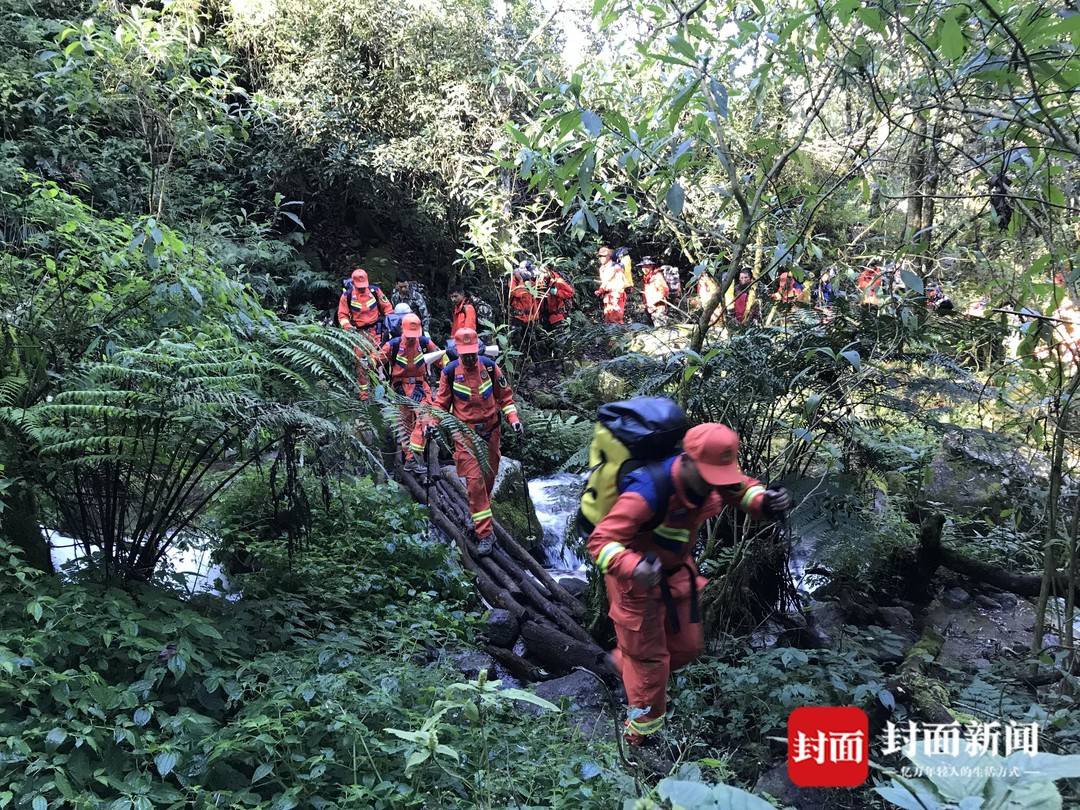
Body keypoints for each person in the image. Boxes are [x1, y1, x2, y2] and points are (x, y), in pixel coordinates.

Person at [586, 423, 791, 745]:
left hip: (676, 573)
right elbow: (601, 542)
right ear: (689, 460)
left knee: (688, 647)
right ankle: (639, 739)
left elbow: (742, 488)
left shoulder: (713, 475)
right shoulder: (648, 491)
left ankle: (624, 662)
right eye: (712, 474)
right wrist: (633, 566)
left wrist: (765, 501)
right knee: (652, 662)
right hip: (634, 582)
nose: (717, 482)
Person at [433, 327, 523, 556]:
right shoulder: (450, 372)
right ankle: (485, 533)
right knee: (474, 483)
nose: (470, 358)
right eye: (466, 354)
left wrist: (513, 419)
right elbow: (441, 403)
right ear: (458, 353)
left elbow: (505, 398)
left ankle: (481, 516)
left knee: (488, 479)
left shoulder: (491, 368)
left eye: (473, 353)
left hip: (491, 433)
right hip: (465, 435)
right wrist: (430, 424)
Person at [378, 314, 443, 475]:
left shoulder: (424, 342)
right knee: (406, 425)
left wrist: (447, 377)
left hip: (420, 386)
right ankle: (410, 460)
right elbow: (376, 360)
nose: (412, 338)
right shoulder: (393, 345)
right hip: (400, 387)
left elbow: (442, 359)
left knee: (425, 417)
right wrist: (375, 370)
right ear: (402, 330)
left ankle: (414, 454)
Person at [337, 268, 393, 400]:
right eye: (359, 286)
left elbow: (388, 308)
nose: (362, 288)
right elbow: (342, 315)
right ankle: (364, 395)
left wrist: (390, 324)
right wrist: (348, 327)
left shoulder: (375, 291)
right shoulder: (347, 296)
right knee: (361, 364)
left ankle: (383, 391)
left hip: (376, 331)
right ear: (354, 283)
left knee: (379, 360)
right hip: (359, 333)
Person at [597, 246, 628, 324]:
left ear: (608, 257)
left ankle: (621, 335)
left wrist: (600, 289)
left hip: (616, 295)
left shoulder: (615, 266)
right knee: (608, 318)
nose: (601, 258)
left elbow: (608, 279)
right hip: (607, 296)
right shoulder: (602, 268)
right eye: (600, 256)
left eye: (603, 256)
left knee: (616, 318)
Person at [640, 257, 670, 326]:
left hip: (658, 307)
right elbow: (645, 293)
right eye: (642, 267)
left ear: (651, 266)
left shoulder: (657, 276)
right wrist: (645, 304)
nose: (644, 269)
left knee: (660, 328)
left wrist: (653, 303)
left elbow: (664, 291)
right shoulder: (646, 278)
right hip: (649, 308)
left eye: (646, 266)